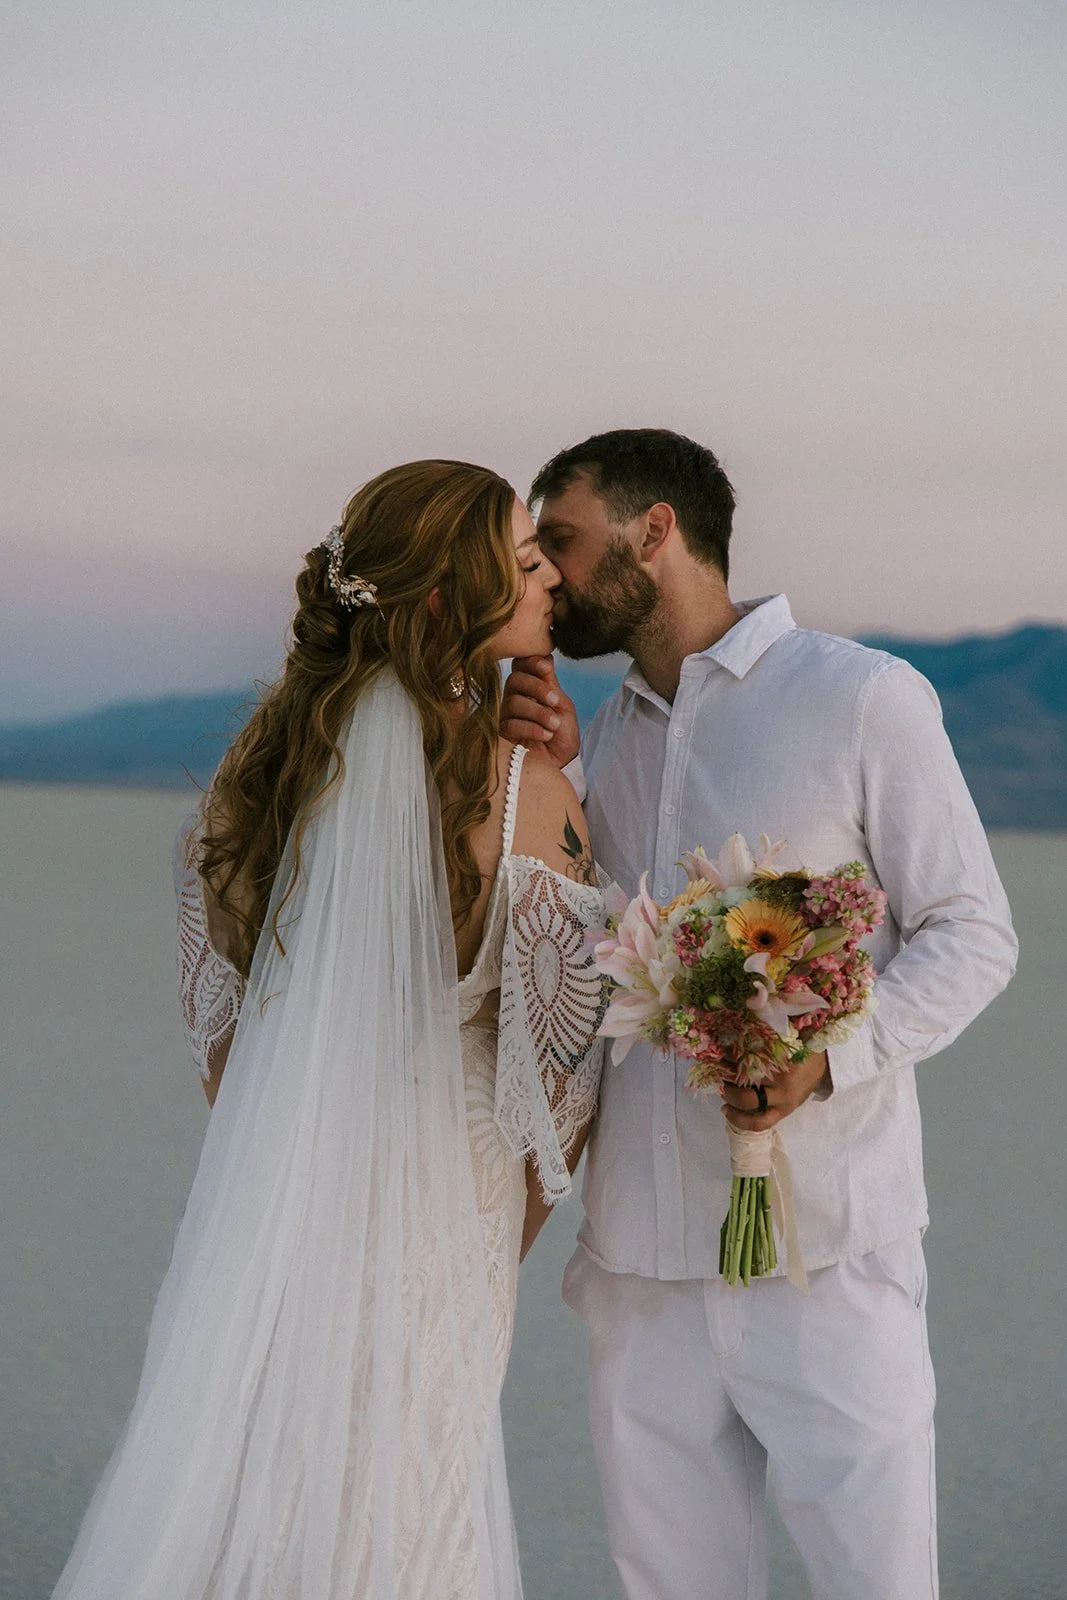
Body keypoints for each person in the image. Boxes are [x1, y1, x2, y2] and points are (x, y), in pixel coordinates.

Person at [53, 459, 608, 1600]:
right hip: (449, 1218)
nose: (549, 570)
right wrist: (480, 1250)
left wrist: (285, 1177)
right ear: (450, 605)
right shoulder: (526, 796)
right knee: (415, 1499)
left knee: (272, 1484)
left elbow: (231, 1053)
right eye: (520, 563)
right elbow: (559, 1091)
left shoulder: (252, 782)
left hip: (283, 1213)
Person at [501, 427, 1018, 1600]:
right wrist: (560, 793)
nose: (547, 573)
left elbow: (973, 931)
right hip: (639, 1256)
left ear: (656, 531)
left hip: (826, 1251)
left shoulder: (860, 697)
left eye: (563, 541)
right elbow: (590, 950)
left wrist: (824, 1060)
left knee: (873, 1582)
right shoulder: (613, 735)